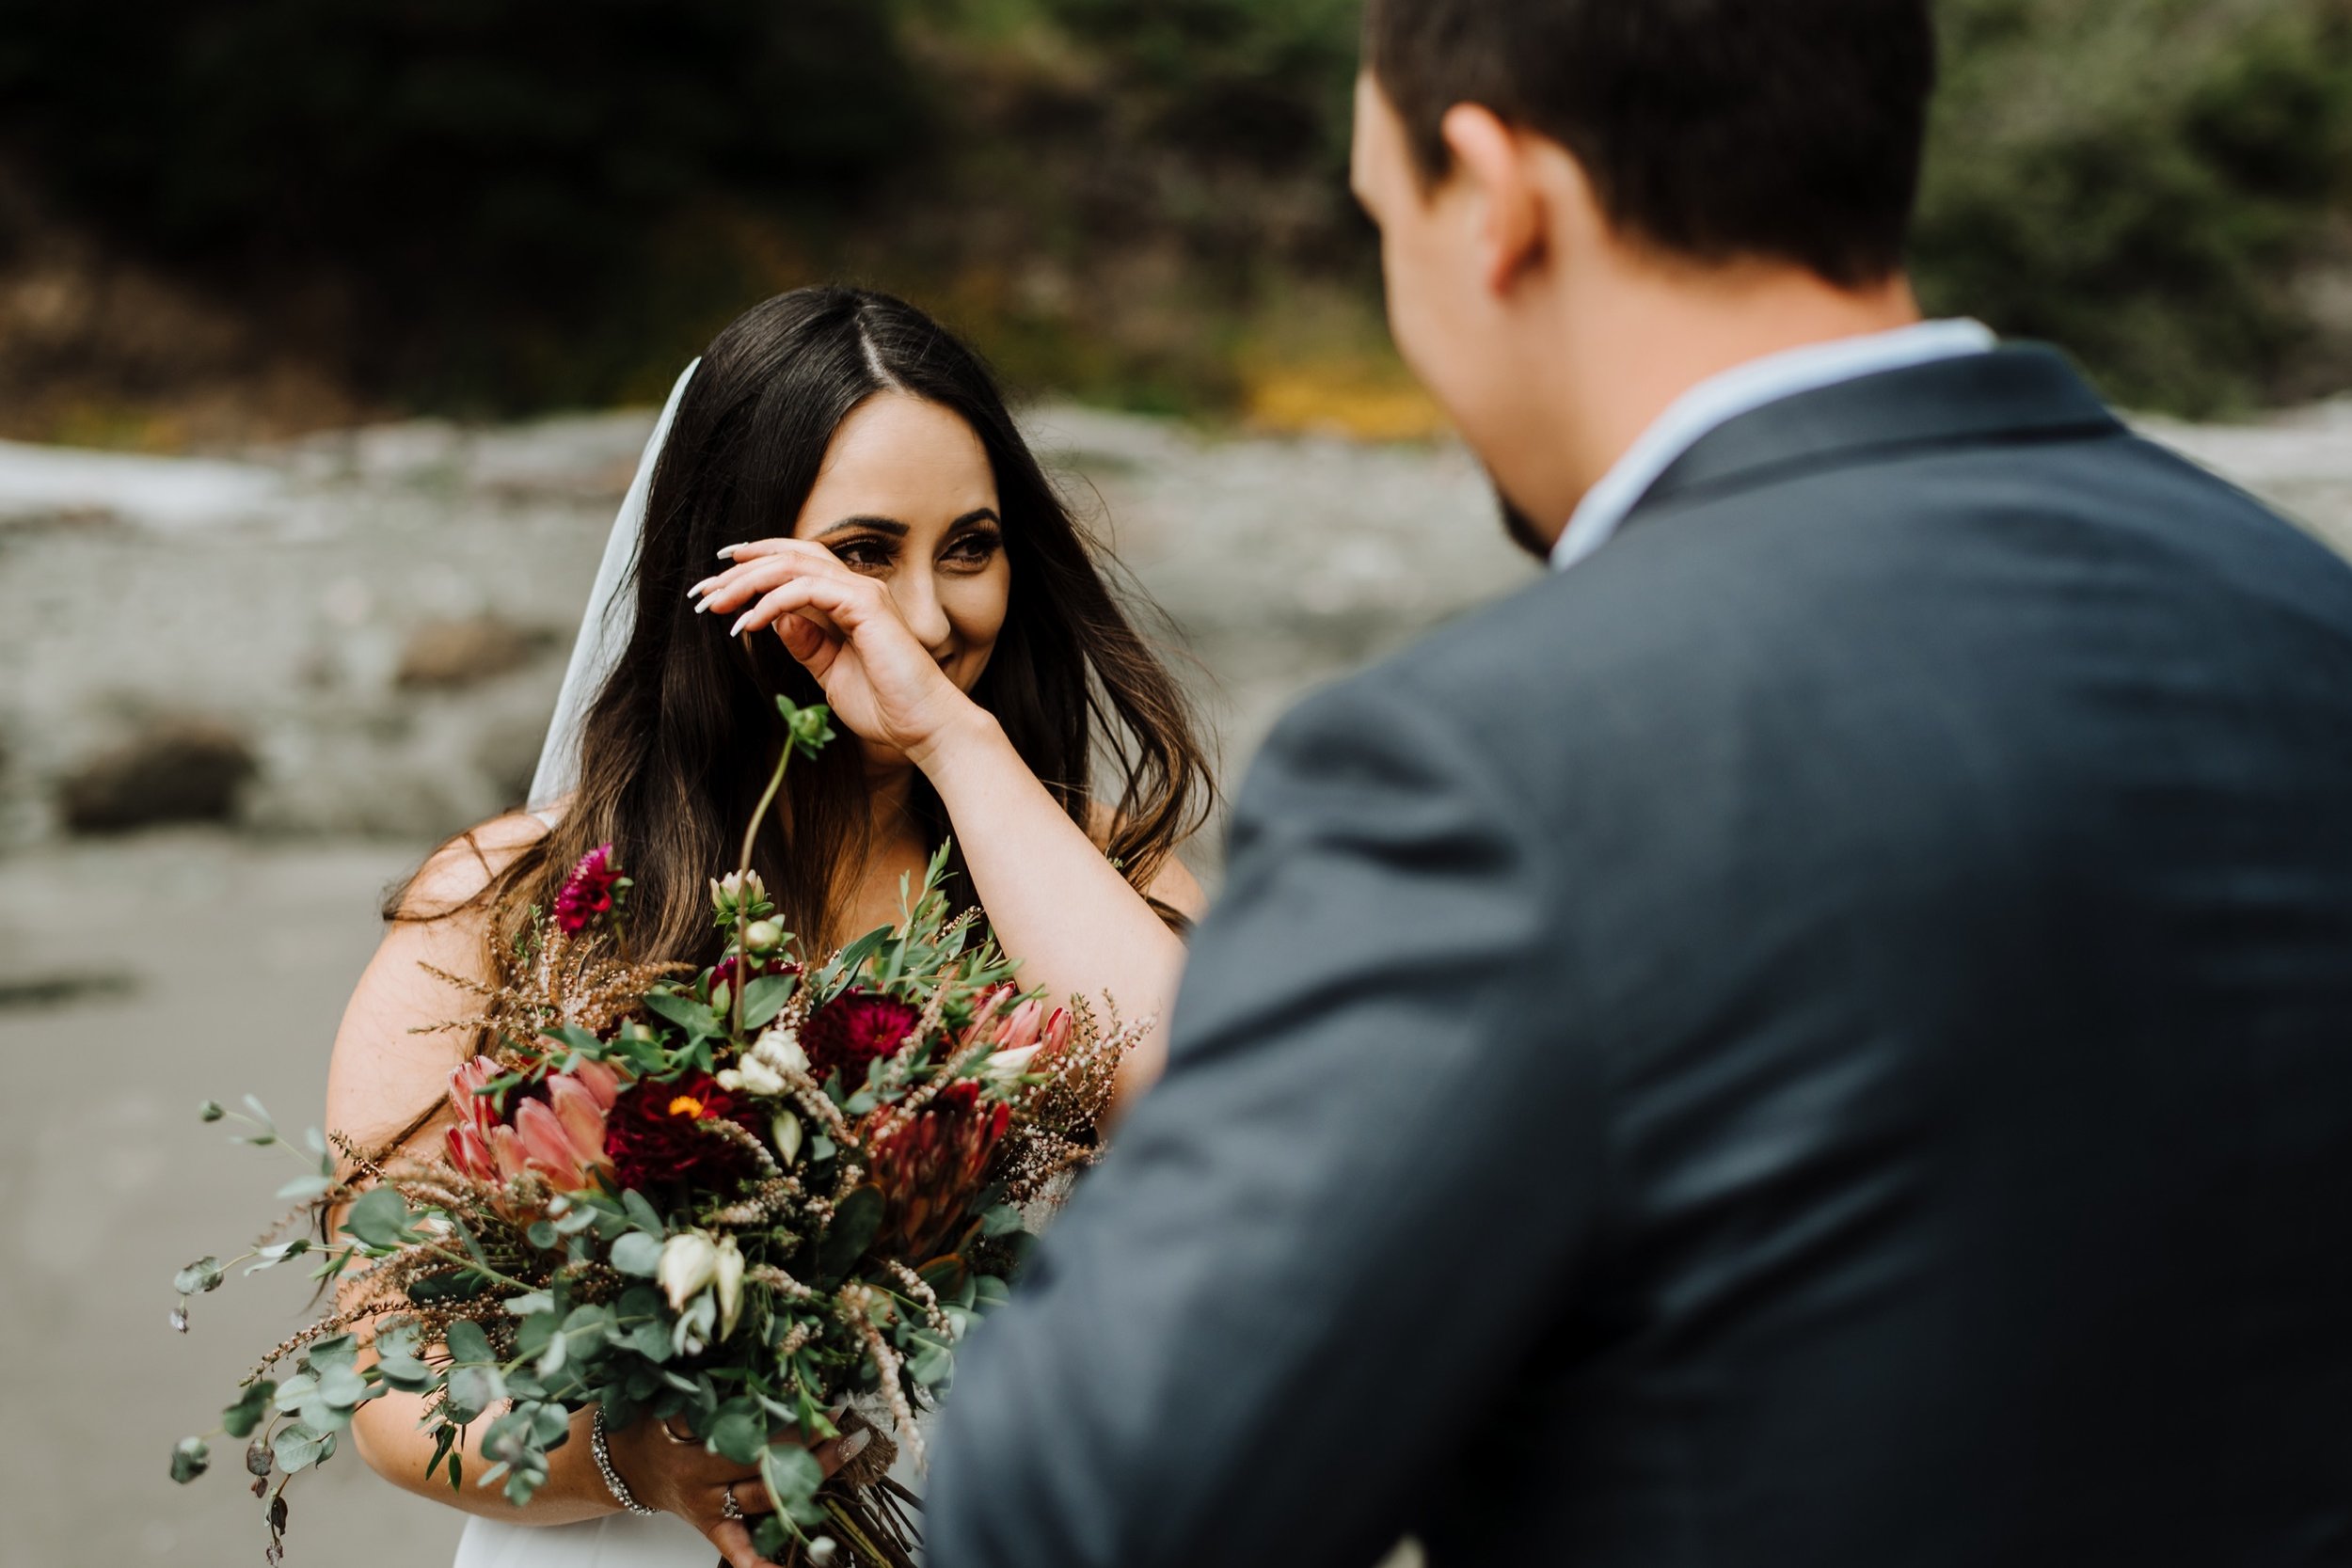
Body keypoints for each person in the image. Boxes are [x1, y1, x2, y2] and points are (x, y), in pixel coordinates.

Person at [924, 2, 2352, 1565]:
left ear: (1492, 197)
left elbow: (1084, 1515)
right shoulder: (2304, 616)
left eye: (1382, 219)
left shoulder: (1487, 772)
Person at [321, 286, 1213, 1568]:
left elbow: (1205, 1095)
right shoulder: (505, 906)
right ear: (723, 562)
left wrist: (952, 741)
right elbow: (390, 1385)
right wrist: (639, 1458)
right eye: (861, 553)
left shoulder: (1100, 871)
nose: (925, 617)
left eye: (969, 547)